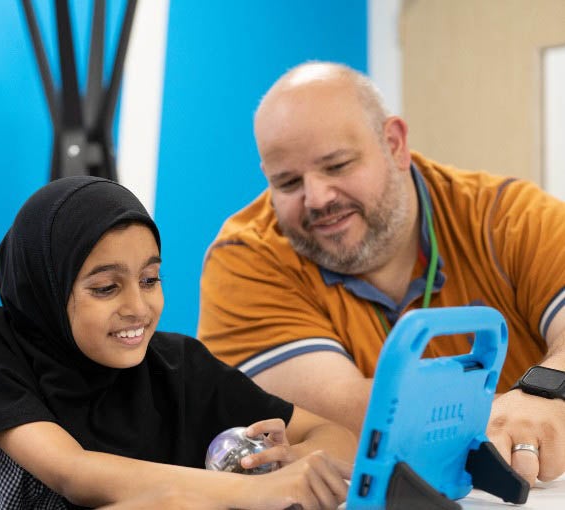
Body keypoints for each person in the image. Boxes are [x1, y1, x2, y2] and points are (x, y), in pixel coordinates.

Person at [198, 61, 565, 488]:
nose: (317, 198)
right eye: (287, 182)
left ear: (394, 143)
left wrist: (547, 389)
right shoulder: (244, 264)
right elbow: (348, 418)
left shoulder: (510, 219)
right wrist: (522, 412)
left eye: (336, 166)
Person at [0, 176, 355, 509]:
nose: (139, 307)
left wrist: (295, 459)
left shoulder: (178, 365)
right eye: (106, 288)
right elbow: (73, 473)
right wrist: (253, 492)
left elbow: (335, 435)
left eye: (150, 280)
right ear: (47, 291)